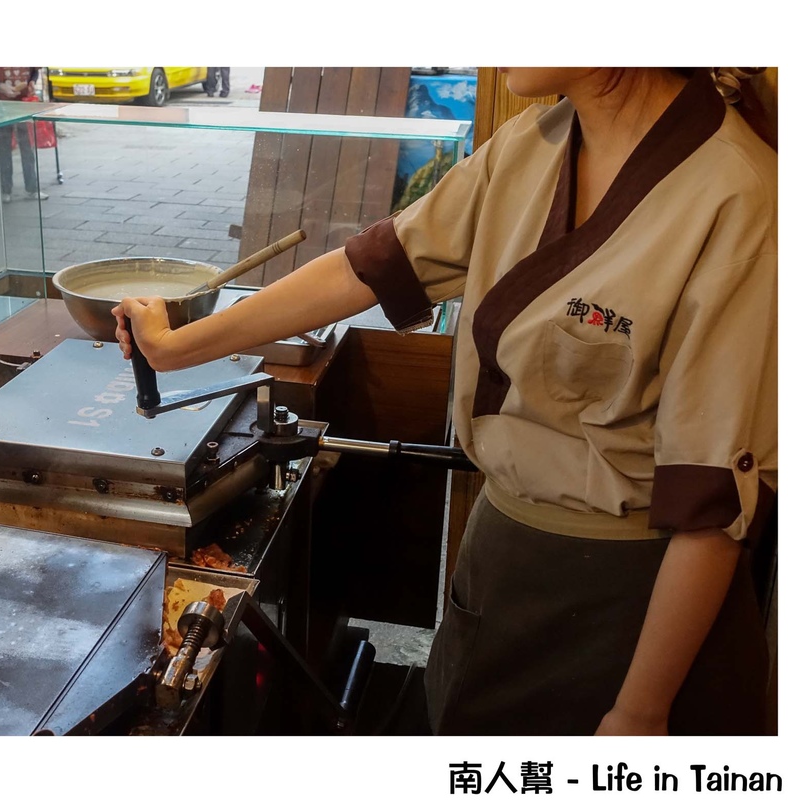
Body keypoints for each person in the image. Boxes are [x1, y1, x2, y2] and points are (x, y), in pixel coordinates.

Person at [112, 68, 777, 736]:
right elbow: (366, 268)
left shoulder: (741, 197)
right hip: (499, 553)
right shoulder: (530, 144)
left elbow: (712, 508)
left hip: (624, 605)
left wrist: (640, 710)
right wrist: (177, 346)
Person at [0, 67, 48, 203]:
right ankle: (5, 190)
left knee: (27, 147)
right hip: (2, 104)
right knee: (4, 148)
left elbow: (34, 71)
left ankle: (32, 189)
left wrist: (32, 82)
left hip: (24, 103)